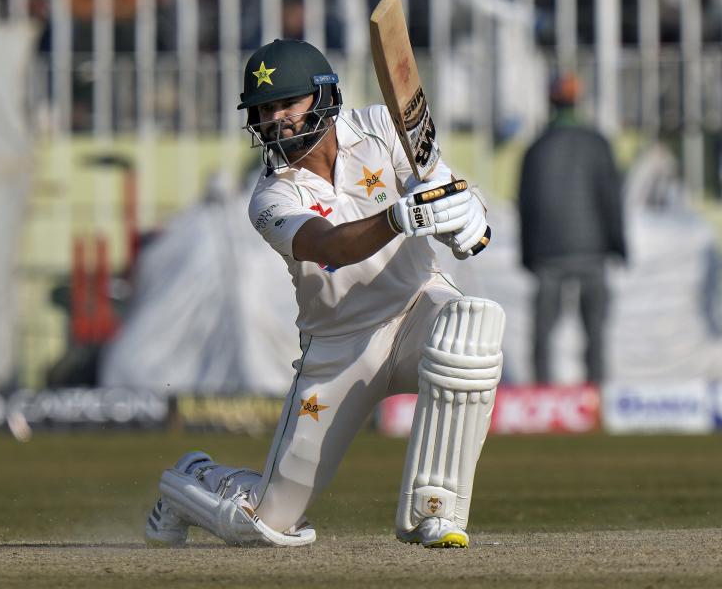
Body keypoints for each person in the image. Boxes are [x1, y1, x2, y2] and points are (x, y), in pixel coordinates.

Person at [144, 39, 504, 549]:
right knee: (265, 523)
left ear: (324, 96)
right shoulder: (271, 195)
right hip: (339, 349)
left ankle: (436, 510)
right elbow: (329, 246)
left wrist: (464, 210)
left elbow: (435, 181)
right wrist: (401, 216)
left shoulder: (381, 125)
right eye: (265, 110)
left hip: (416, 306)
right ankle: (190, 480)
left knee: (472, 326)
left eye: (287, 103)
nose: (277, 121)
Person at [518, 73, 626, 385]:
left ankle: (542, 394)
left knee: (542, 333)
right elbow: (610, 198)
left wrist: (528, 255)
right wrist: (618, 244)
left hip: (548, 253)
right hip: (592, 251)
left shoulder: (536, 149)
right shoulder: (597, 144)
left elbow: (526, 206)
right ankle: (596, 397)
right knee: (595, 331)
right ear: (577, 101)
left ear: (551, 101)